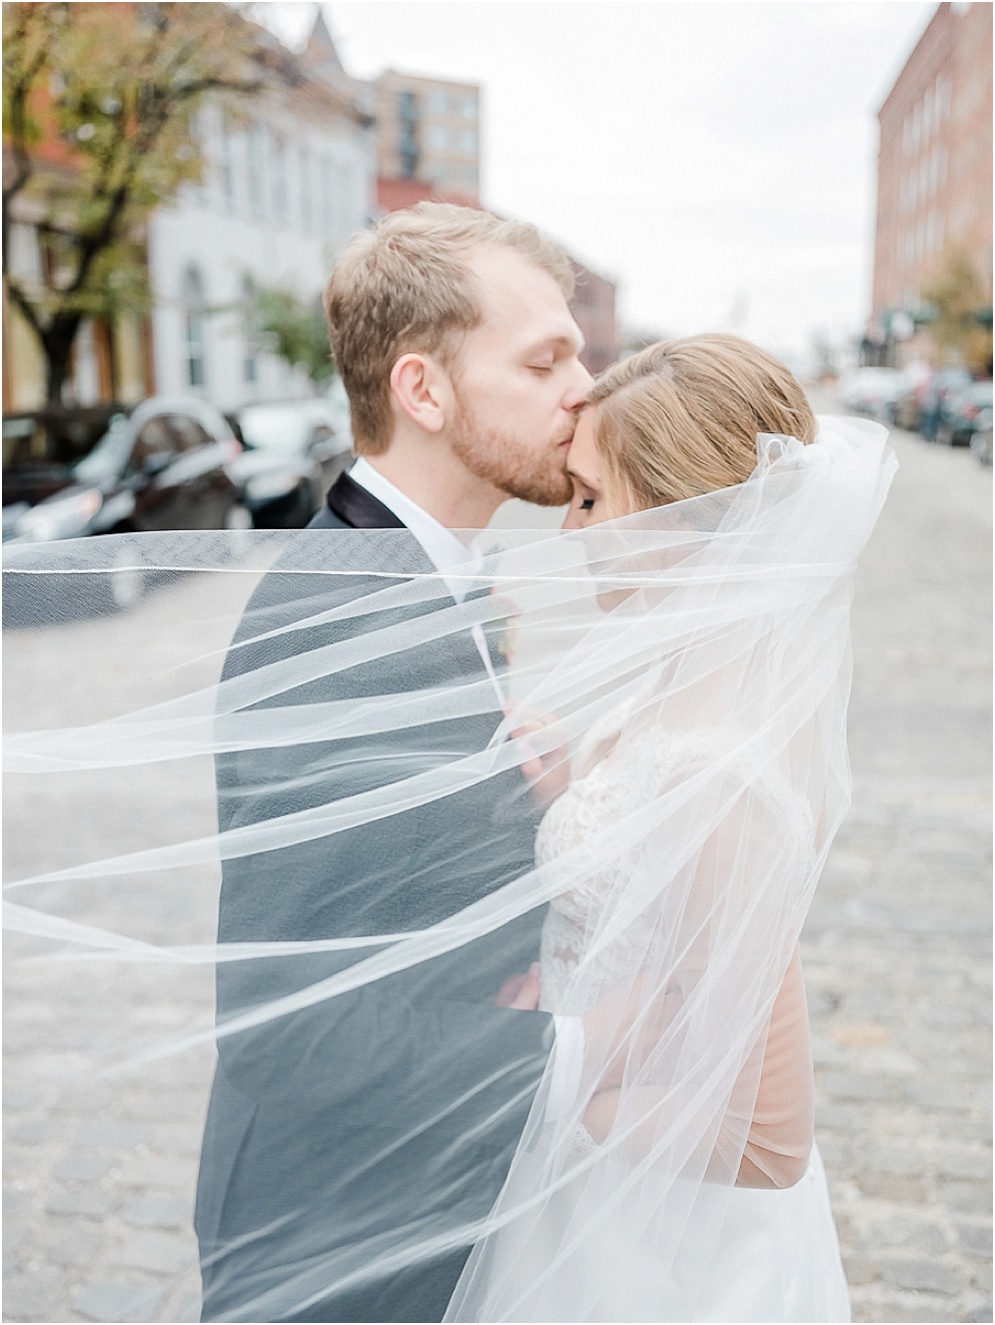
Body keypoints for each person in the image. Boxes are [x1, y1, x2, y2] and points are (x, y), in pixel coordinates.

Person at [194, 203, 594, 1323]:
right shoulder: (338, 620)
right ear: (423, 391)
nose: (582, 388)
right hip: (338, 1238)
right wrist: (568, 1051)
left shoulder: (436, 579)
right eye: (544, 359)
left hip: (429, 1196)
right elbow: (288, 1019)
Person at [445, 336, 894, 1322]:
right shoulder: (677, 686)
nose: (568, 528)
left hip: (658, 1243)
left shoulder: (715, 779)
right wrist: (570, 785)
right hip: (600, 1187)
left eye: (591, 497)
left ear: (682, 516)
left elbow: (771, 1136)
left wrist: (558, 1085)